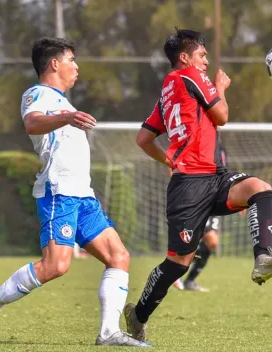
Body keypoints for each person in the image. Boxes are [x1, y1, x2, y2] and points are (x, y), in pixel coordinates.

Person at [0, 37, 150, 347]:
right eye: (71, 60)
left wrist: (68, 114)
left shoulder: (63, 101)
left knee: (119, 257)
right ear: (54, 64)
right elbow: (32, 124)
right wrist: (67, 117)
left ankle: (108, 333)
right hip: (58, 192)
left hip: (83, 195)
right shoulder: (37, 94)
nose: (76, 67)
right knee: (56, 265)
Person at [124, 28, 272, 342]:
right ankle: (137, 316)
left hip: (213, 177)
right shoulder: (191, 76)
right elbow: (222, 115)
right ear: (185, 57)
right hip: (190, 186)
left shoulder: (167, 91)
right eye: (202, 55)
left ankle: (264, 255)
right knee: (178, 264)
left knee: (260, 187)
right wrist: (219, 87)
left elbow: (143, 139)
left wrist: (169, 161)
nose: (205, 61)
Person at [173, 146, 227, 292]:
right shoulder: (197, 143)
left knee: (212, 242)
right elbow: (174, 163)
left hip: (213, 199)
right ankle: (174, 270)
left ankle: (189, 280)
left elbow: (222, 175)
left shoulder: (220, 149)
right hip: (197, 198)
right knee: (196, 239)